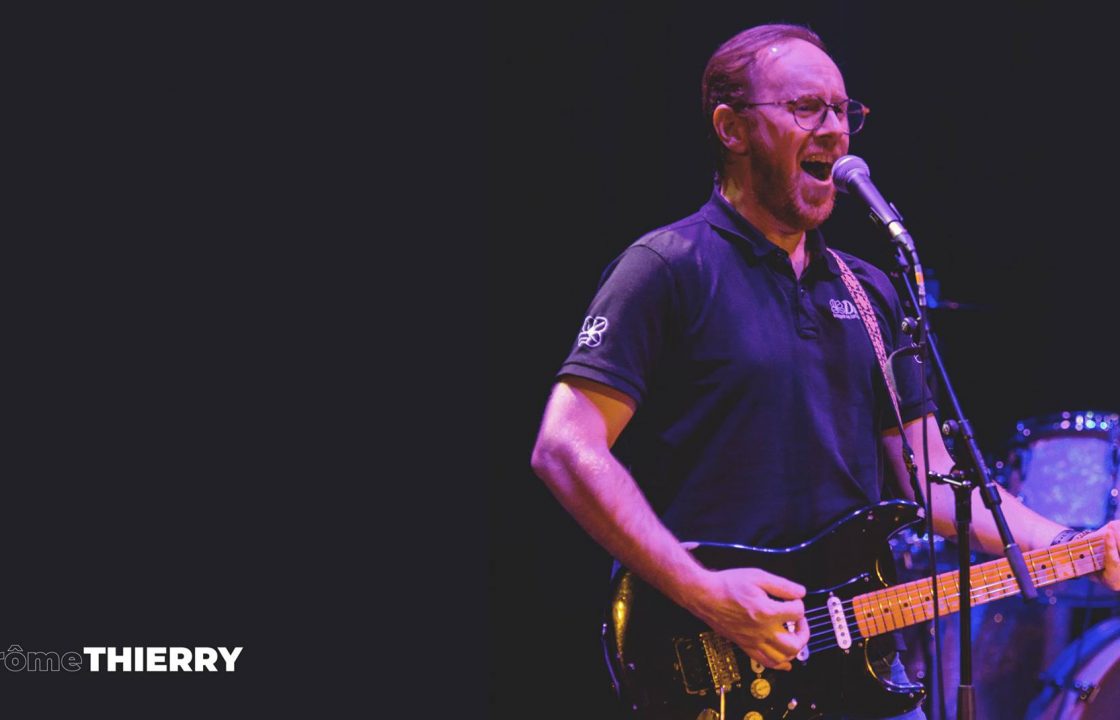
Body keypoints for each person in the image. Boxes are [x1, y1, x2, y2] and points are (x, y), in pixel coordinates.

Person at [529, 22, 1120, 720]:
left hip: (858, 666)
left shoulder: (870, 291)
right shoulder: (664, 270)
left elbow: (931, 477)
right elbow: (565, 447)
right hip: (713, 664)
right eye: (807, 108)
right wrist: (702, 589)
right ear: (731, 128)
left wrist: (1075, 544)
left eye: (844, 111)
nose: (836, 131)